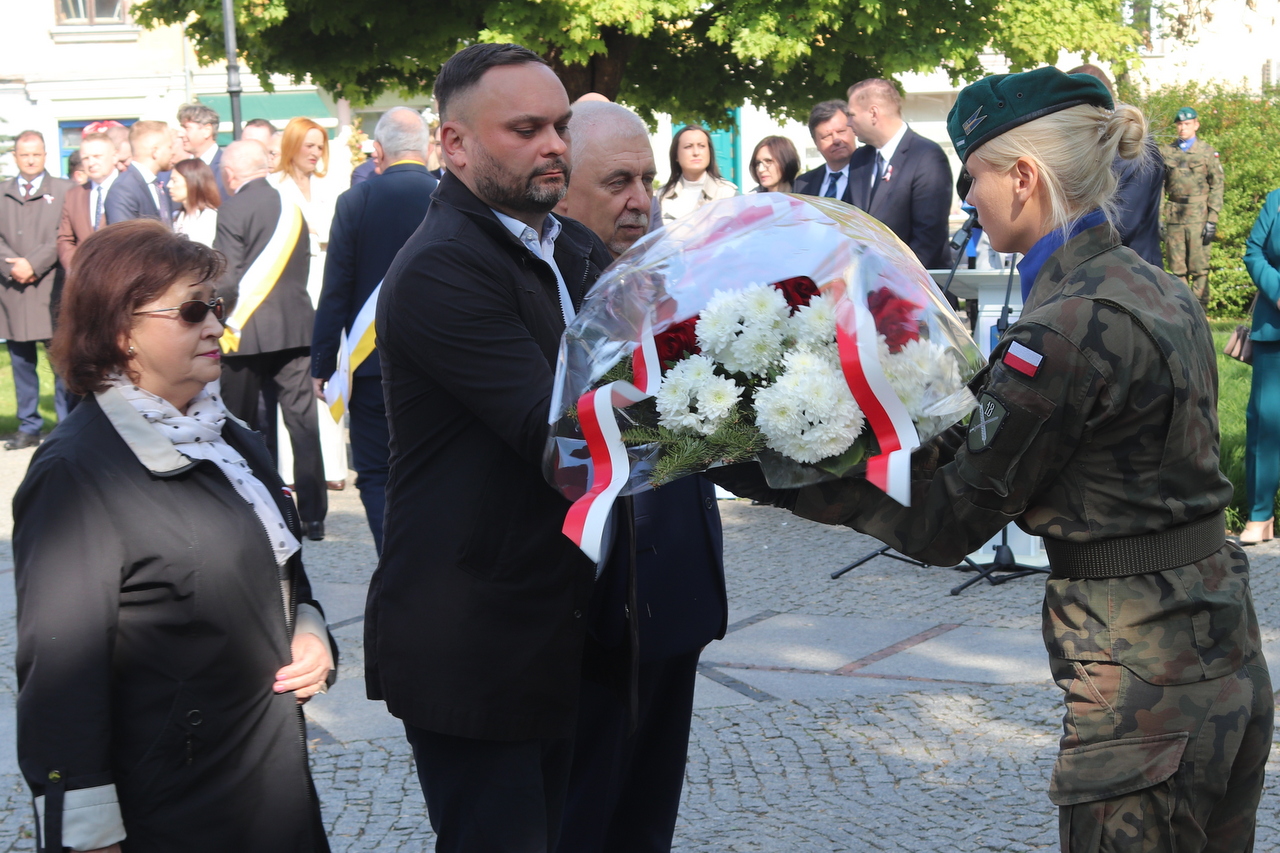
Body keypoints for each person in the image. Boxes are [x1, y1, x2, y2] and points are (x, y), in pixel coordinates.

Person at [711, 66, 1273, 850]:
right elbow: (1002, 437)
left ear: (1023, 177)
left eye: (973, 176)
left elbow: (948, 521)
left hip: (1142, 696)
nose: (967, 197)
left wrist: (778, 476)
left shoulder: (1062, 329)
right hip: (1223, 658)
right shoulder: (1157, 288)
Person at [15, 219, 334, 853]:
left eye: (216, 305)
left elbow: (281, 574)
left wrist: (311, 630)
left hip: (265, 786)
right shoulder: (77, 473)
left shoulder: (228, 437)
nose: (214, 325)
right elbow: (59, 674)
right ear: (121, 332)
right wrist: (88, 835)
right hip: (170, 810)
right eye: (191, 311)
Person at [367, 43, 614, 853]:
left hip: (557, 622)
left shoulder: (567, 245)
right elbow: (563, 438)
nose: (554, 145)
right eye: (526, 129)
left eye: (561, 126)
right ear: (455, 144)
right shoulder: (444, 265)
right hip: (474, 639)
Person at [551, 99, 728, 853]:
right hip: (589, 609)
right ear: (560, 190)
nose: (641, 200)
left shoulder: (667, 274)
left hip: (674, 589)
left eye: (647, 180)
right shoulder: (539, 286)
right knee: (581, 819)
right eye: (618, 181)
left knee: (646, 821)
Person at [311, 106, 438, 554]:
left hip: (372, 367)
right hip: (443, 364)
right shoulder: (450, 197)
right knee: (436, 467)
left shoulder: (355, 201)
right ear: (429, 149)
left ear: (378, 152)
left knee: (377, 472)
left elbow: (336, 289)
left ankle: (395, 559)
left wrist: (322, 362)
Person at [214, 140, 328, 541]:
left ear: (231, 174)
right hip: (295, 327)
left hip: (244, 332)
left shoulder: (232, 209)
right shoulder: (292, 206)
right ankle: (314, 516)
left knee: (241, 424)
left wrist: (217, 316)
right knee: (302, 424)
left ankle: (252, 507)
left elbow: (226, 277)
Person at [269, 117, 347, 490]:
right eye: (309, 145)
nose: (316, 152)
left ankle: (332, 468)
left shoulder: (331, 187)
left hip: (329, 290)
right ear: (292, 145)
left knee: (328, 374)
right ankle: (292, 470)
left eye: (320, 146)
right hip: (292, 292)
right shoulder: (274, 187)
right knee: (294, 382)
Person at [0, 130, 75, 449]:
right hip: (12, 290)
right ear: (15, 157)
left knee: (60, 362)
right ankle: (28, 426)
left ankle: (66, 426)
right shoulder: (2, 191)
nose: (30, 160)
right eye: (24, 154)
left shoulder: (65, 190)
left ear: (45, 155)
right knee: (20, 363)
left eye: (36, 154)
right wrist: (11, 266)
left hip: (51, 289)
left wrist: (33, 264)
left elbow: (64, 233)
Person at [844, 79, 954, 270]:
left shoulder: (926, 156)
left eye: (852, 115)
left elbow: (928, 240)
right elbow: (850, 223)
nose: (848, 122)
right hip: (865, 281)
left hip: (914, 282)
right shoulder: (860, 159)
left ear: (873, 113)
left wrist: (887, 281)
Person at [1068, 64, 1163, 267]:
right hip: (1108, 270)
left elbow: (1120, 224)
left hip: (1132, 274)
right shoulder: (1100, 142)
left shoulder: (1130, 146)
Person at [1241, 189, 1280, 545]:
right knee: (1265, 420)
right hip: (1275, 327)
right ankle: (1260, 514)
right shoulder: (1276, 200)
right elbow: (1254, 251)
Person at [1162, 106, 1223, 310]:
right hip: (1175, 216)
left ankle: (1200, 312)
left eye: (1187, 124)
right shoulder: (1167, 152)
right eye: (1179, 124)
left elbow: (1217, 185)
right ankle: (1182, 311)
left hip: (1199, 216)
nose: (1183, 128)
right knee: (1176, 268)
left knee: (1199, 268)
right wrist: (1158, 218)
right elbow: (1159, 187)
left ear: (1196, 125)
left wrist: (1212, 219)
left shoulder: (1207, 152)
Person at [57, 132, 119, 272]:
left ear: (114, 156)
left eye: (97, 156)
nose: (91, 163)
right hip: (83, 276)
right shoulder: (73, 195)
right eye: (86, 158)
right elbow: (65, 239)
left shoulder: (130, 189)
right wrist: (77, 269)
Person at [656, 125, 737, 224]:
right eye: (688, 146)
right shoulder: (662, 196)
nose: (696, 152)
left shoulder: (728, 193)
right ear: (676, 155)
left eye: (702, 146)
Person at [104, 121, 174, 227]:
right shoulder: (123, 189)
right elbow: (124, 234)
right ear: (155, 151)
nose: (172, 152)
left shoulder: (157, 185)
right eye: (169, 147)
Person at [792, 101, 856, 204]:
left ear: (854, 130)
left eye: (841, 131)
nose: (836, 140)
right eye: (827, 136)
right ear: (816, 143)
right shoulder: (802, 184)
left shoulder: (872, 172)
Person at [176, 103, 226, 200]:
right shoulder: (181, 168)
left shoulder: (226, 168)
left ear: (207, 131)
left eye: (186, 128)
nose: (180, 134)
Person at [168, 157, 221, 247]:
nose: (169, 185)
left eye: (174, 181)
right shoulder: (177, 216)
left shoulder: (209, 217)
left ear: (191, 182)